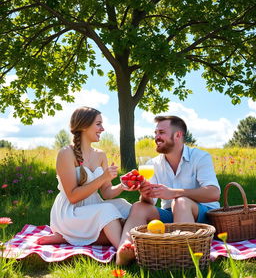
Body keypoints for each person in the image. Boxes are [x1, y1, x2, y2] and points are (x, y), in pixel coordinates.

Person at [116, 115, 220, 265]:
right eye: (156, 133)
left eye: (161, 132)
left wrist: (175, 192)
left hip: (202, 216)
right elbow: (150, 202)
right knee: (139, 207)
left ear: (178, 135)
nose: (156, 137)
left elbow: (214, 193)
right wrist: (145, 194)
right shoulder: (153, 163)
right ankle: (125, 251)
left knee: (180, 202)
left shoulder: (200, 157)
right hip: (172, 215)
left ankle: (184, 257)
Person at [38, 106, 131, 252]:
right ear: (84, 126)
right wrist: (102, 177)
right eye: (98, 124)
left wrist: (121, 186)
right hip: (70, 212)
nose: (103, 129)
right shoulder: (66, 153)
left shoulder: (100, 155)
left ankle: (70, 238)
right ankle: (124, 250)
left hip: (93, 207)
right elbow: (73, 196)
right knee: (107, 210)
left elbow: (106, 193)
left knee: (124, 206)